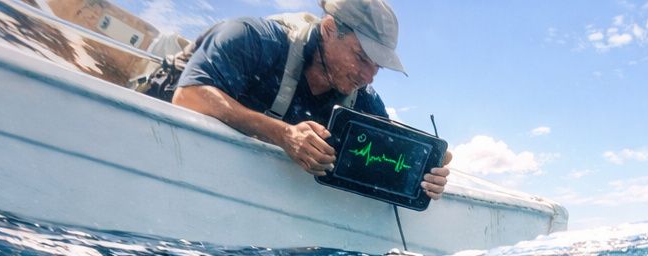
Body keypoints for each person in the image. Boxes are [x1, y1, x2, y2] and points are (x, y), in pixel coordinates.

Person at [168, 0, 450, 199]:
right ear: (329, 29)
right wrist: (283, 135)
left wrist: (427, 173)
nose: (368, 76)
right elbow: (188, 97)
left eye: (378, 65)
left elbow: (389, 158)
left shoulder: (363, 98)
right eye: (361, 58)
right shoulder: (253, 38)